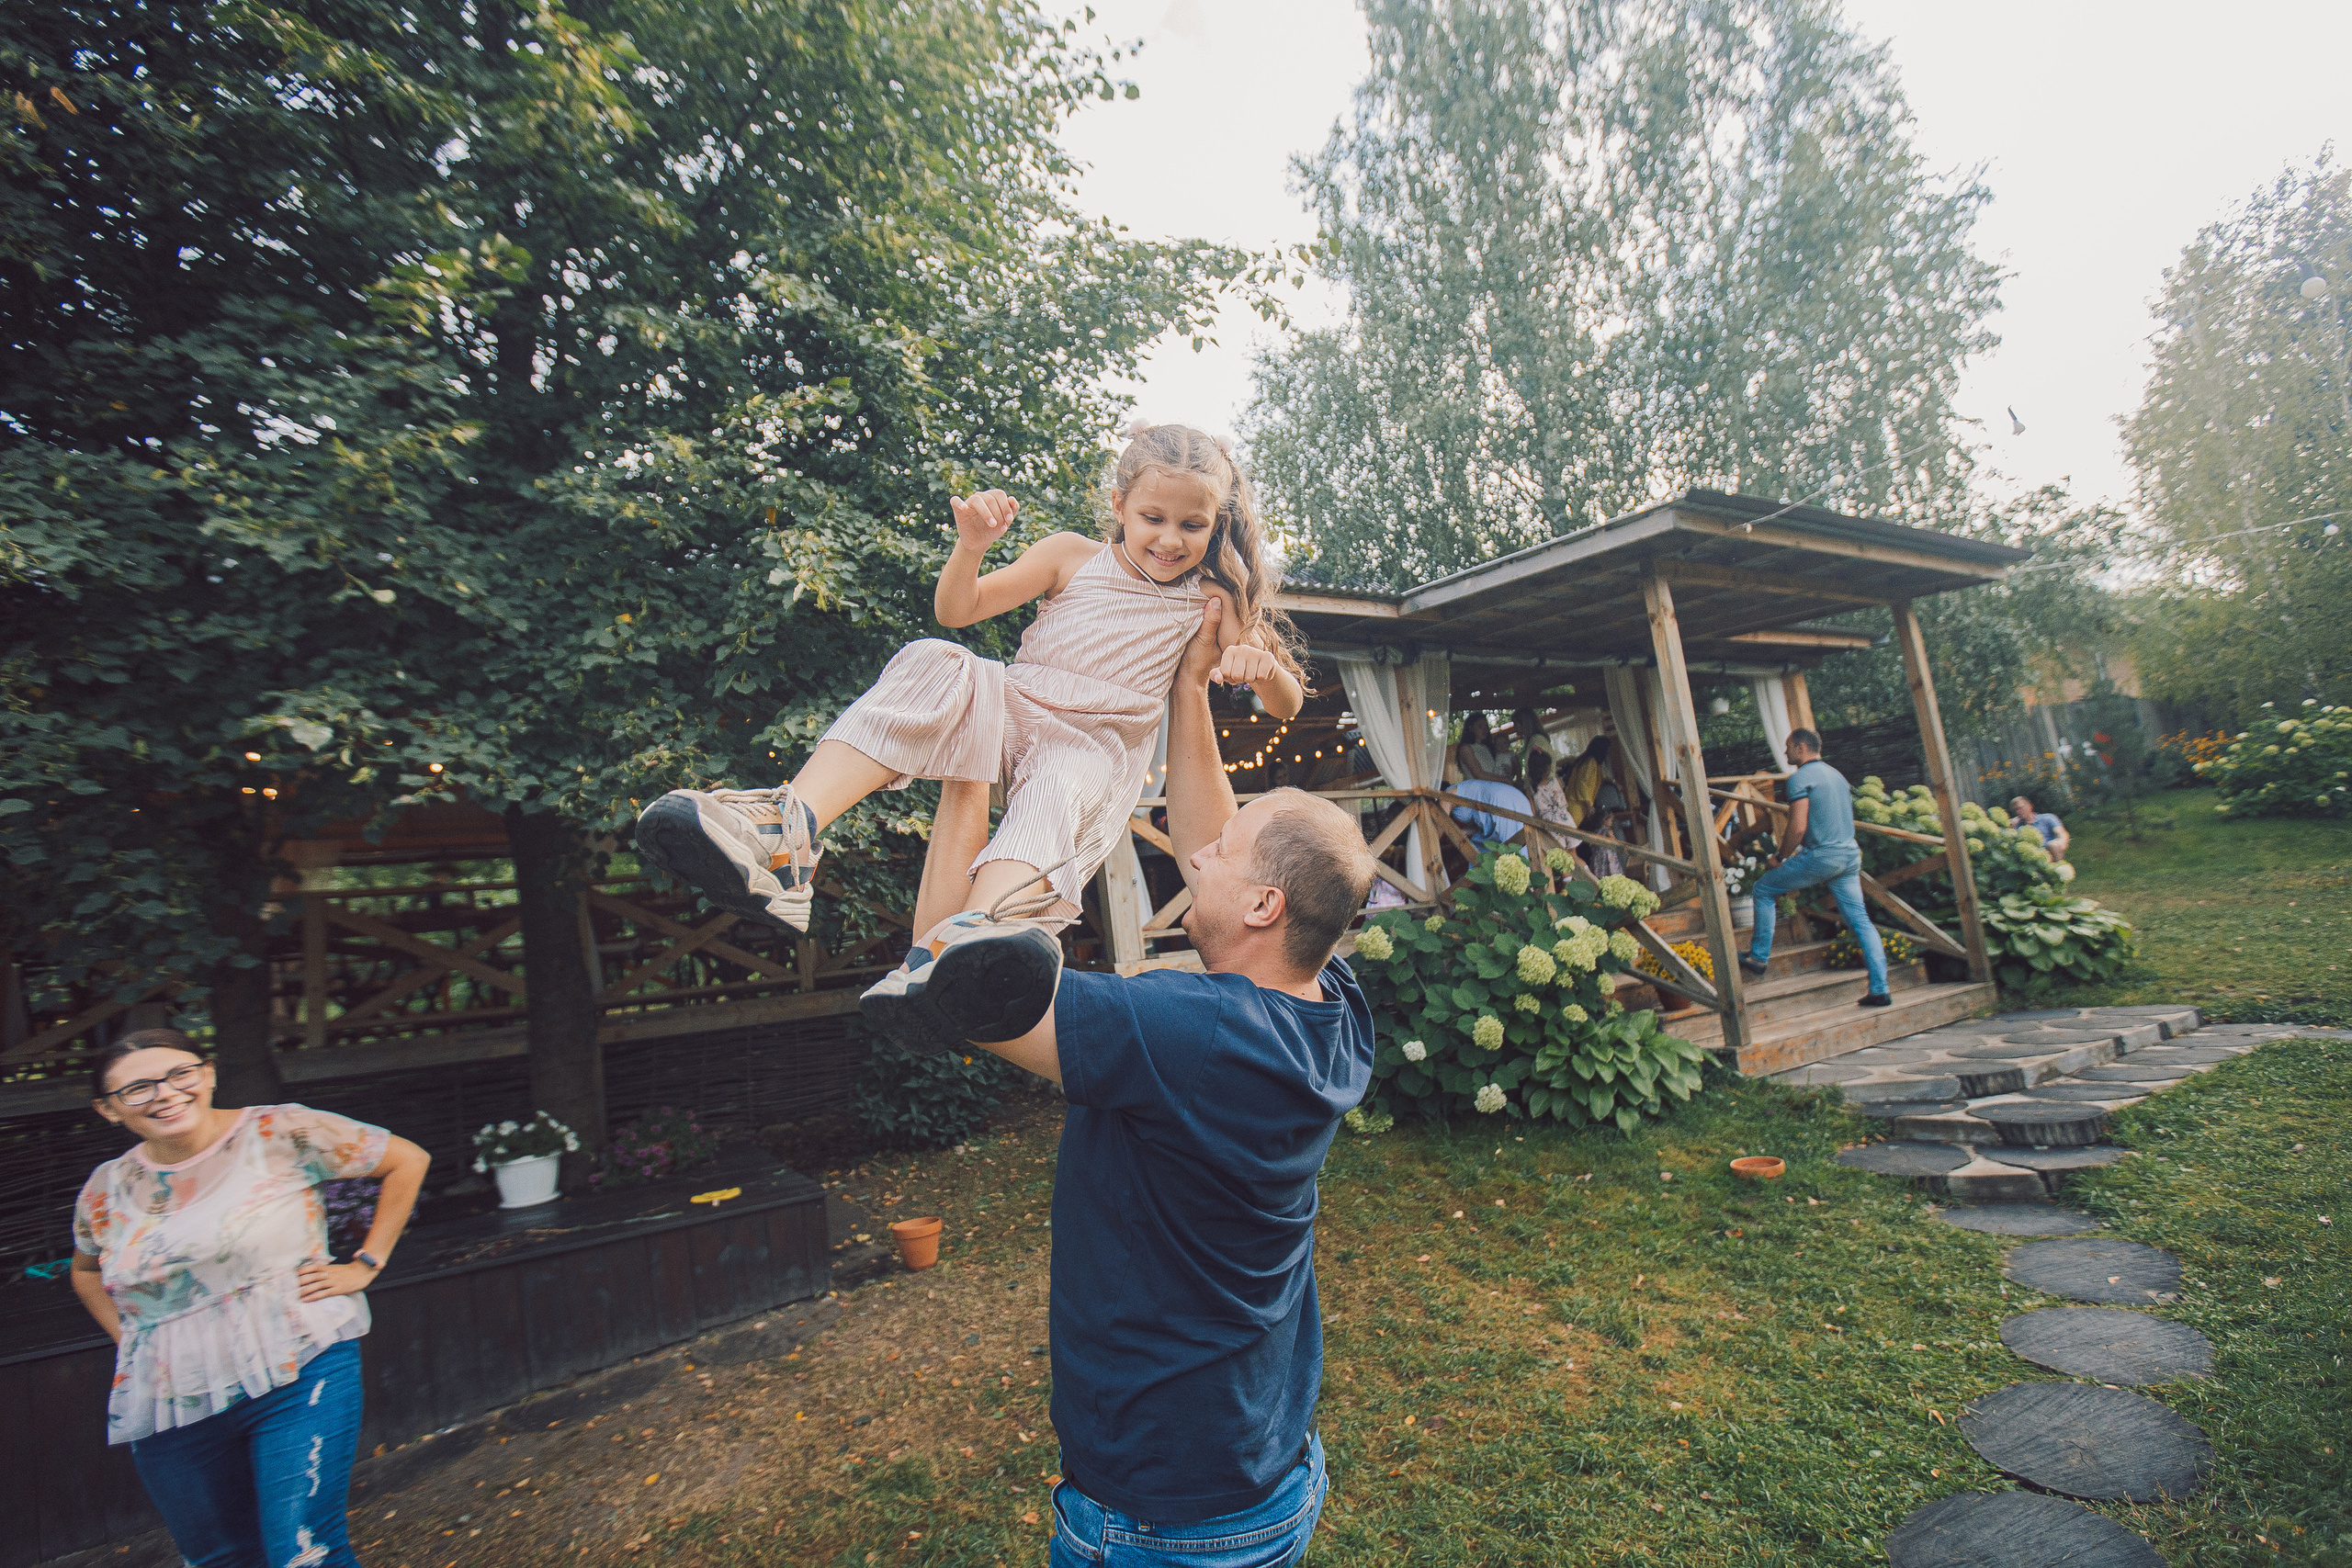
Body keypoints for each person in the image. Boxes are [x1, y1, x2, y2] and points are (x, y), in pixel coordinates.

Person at [881, 596, 1377, 1566]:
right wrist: (1187, 685)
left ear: (1265, 902)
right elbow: (1219, 832)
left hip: (1162, 1516)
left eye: (1224, 855)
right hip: (1263, 1467)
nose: (1197, 850)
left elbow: (946, 975)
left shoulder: (1181, 1032)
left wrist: (968, 767)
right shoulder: (1332, 1007)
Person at [634, 421, 1307, 975]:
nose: (1169, 539)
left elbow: (1288, 706)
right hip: (1014, 709)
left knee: (1055, 788)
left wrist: (1260, 667)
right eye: (1152, 517)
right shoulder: (1069, 556)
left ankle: (973, 937)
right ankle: (787, 833)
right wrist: (970, 548)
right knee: (939, 657)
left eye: (1192, 526)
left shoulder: (1211, 597)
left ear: (1215, 523)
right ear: (1119, 507)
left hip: (1090, 751)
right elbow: (959, 610)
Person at [70, 1030, 432, 1568]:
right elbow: (84, 1270)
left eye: (179, 1074)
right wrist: (130, 1341)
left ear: (208, 1074)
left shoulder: (280, 1130)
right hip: (172, 1396)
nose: (165, 1094)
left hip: (297, 1366)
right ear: (109, 1109)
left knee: (304, 1552)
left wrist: (366, 1263)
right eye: (138, 1088)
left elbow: (405, 1159)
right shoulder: (108, 1186)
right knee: (219, 1559)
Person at [1738, 728, 1891, 1008]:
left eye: (1788, 747)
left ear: (1800, 747)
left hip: (1823, 857)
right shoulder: (1837, 776)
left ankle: (1758, 958)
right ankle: (1880, 989)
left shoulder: (1800, 779)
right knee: (1861, 922)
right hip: (1849, 856)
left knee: (1763, 888)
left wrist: (1779, 857)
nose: (1784, 753)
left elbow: (1797, 827)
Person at [1453, 712, 1510, 784]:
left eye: (1486, 726)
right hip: (1476, 790)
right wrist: (1505, 779)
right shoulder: (1466, 748)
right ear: (1471, 728)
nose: (1484, 730)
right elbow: (1479, 775)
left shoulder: (1487, 748)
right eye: (1480, 726)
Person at [2010, 795, 2070, 861]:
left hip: (2050, 852)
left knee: (2053, 845)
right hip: (2031, 859)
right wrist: (2011, 828)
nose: (2018, 812)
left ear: (2030, 806)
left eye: (2020, 808)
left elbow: (2061, 833)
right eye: (2015, 810)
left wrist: (2061, 842)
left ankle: (2059, 867)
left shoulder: (2048, 818)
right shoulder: (2017, 827)